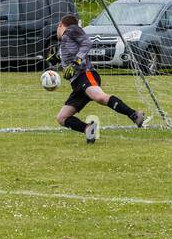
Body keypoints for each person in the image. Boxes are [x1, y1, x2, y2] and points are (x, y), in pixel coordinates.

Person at [49, 15, 148, 143]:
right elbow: (68, 53)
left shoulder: (71, 29)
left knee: (100, 97)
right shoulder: (65, 41)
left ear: (60, 25)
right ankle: (88, 129)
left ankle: (134, 115)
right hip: (77, 84)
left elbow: (87, 42)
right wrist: (55, 58)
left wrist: (77, 62)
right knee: (62, 117)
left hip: (86, 74)